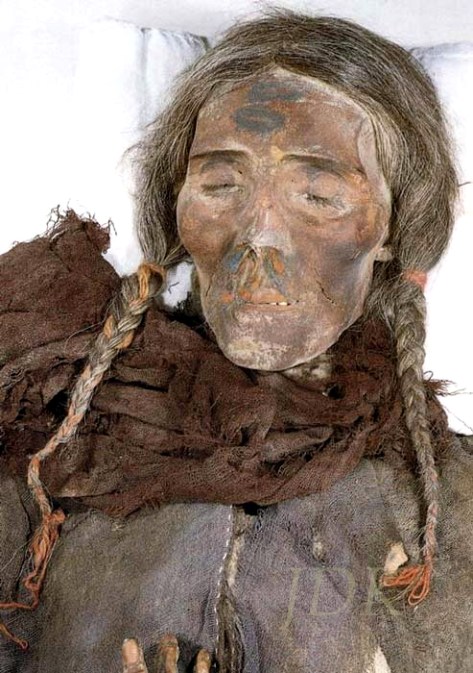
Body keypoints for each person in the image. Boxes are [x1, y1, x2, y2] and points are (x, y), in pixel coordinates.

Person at [1, 9, 472, 673]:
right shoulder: (45, 449)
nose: (259, 235)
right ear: (177, 206)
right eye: (220, 185)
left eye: (318, 194)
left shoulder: (452, 504)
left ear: (393, 227)